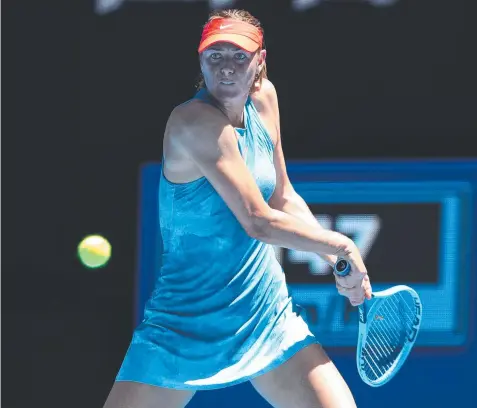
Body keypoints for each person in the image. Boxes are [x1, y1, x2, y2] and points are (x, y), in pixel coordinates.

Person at [104, 8, 372, 408]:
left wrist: (333, 259)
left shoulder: (265, 99)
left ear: (260, 61)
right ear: (200, 61)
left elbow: (282, 196)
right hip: (185, 323)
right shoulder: (192, 123)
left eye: (239, 56)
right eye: (215, 56)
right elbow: (257, 221)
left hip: (265, 313)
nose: (226, 68)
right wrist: (341, 247)